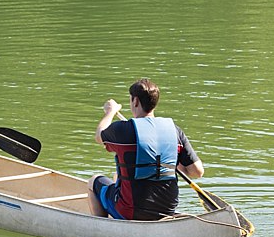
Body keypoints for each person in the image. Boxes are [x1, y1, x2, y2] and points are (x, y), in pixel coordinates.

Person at [88, 78, 205, 221]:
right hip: (167, 210)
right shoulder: (174, 131)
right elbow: (197, 172)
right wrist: (170, 162)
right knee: (116, 177)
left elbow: (99, 135)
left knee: (94, 181)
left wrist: (110, 112)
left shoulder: (123, 130)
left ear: (135, 101)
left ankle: (104, 227)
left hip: (132, 211)